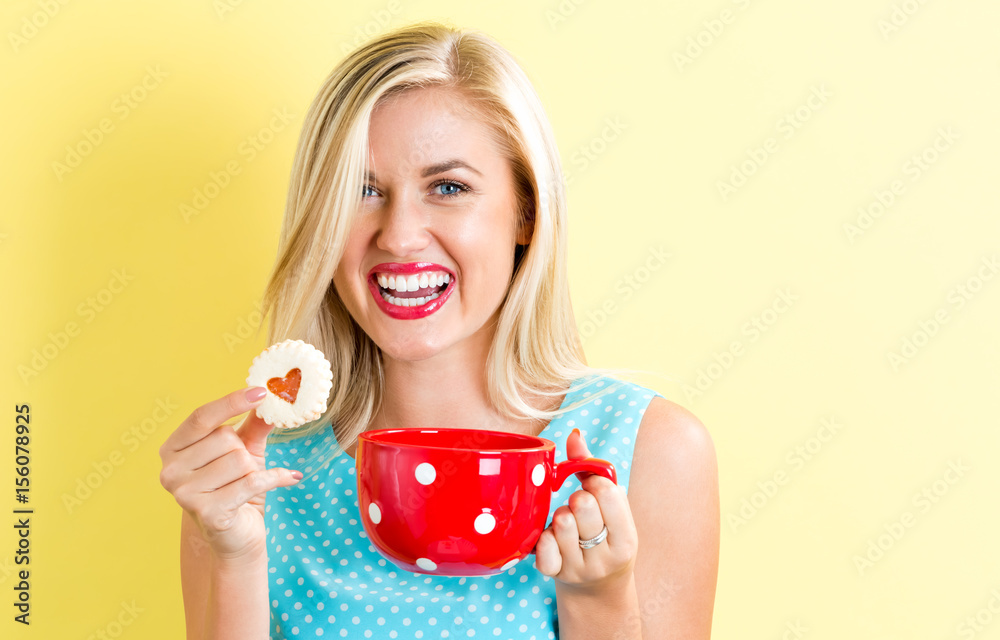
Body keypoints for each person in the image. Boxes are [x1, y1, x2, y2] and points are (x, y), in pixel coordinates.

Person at [159, 20, 719, 640]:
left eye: (448, 187)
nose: (398, 235)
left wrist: (599, 601)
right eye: (361, 191)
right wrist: (234, 556)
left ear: (526, 213)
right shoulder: (251, 477)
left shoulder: (652, 453)